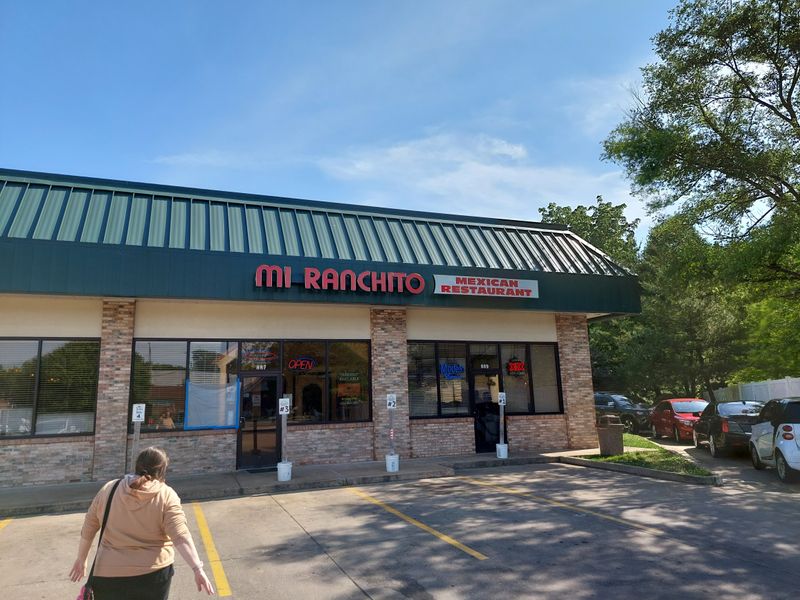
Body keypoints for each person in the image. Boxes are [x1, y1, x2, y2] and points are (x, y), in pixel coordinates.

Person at [69, 447, 214, 599]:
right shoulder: (166, 495)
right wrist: (197, 569)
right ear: (162, 471)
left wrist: (82, 559)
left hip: (108, 573)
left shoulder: (109, 489)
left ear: (137, 465)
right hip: (154, 576)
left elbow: (89, 527)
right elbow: (180, 536)